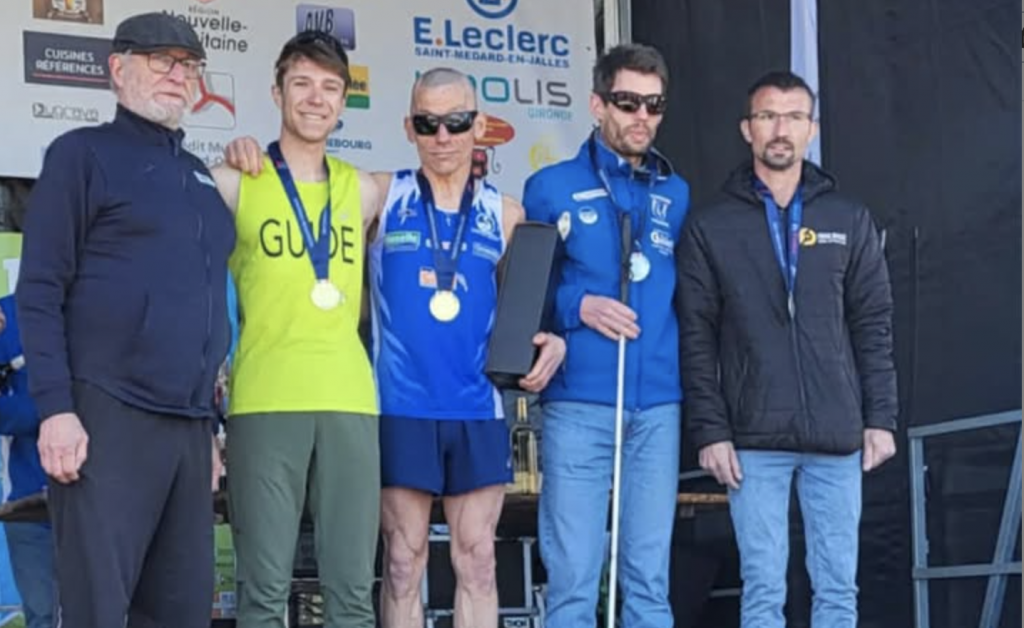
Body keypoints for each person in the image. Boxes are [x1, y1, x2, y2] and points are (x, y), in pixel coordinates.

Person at [225, 66, 565, 628]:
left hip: (476, 407)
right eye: (428, 123)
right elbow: (303, 180)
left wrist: (553, 336)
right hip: (399, 406)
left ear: (480, 125)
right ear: (409, 128)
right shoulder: (381, 195)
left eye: (457, 122)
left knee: (479, 562)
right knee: (403, 563)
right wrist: (247, 154)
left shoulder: (505, 215)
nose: (443, 136)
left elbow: (530, 307)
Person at [15, 12, 232, 628]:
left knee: (182, 610)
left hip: (188, 427)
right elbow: (39, 288)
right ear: (117, 68)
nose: (177, 75)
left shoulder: (198, 176)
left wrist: (209, 427)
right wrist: (56, 410)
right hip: (105, 415)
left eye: (189, 65)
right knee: (99, 609)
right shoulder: (81, 155)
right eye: (161, 60)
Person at [676, 70, 898, 628]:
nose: (781, 129)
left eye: (794, 117)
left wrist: (880, 418)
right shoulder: (710, 225)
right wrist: (711, 431)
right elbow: (696, 335)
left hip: (837, 433)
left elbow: (873, 323)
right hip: (753, 437)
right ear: (746, 129)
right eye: (768, 116)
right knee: (762, 592)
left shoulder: (847, 217)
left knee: (838, 591)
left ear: (811, 129)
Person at [210, 31, 382, 628]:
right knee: (262, 594)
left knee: (352, 595)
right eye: (302, 83)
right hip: (265, 399)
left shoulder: (364, 189)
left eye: (330, 87)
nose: (316, 98)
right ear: (277, 92)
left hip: (350, 400)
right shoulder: (232, 181)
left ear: (344, 100)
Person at [521, 44, 690, 628]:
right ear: (597, 105)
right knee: (573, 579)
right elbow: (524, 291)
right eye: (627, 102)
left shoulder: (675, 192)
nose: (642, 116)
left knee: (649, 579)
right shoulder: (550, 186)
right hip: (580, 402)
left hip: (658, 405)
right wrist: (578, 305)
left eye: (654, 105)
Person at [0, 295, 55, 628]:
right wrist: (52, 412)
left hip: (98, 504)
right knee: (43, 617)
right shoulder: (6, 314)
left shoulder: (101, 308)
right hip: (28, 504)